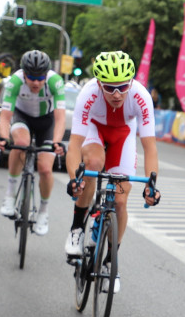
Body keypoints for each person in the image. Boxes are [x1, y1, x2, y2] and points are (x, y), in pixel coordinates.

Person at [64, 51, 161, 294]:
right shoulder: (88, 94)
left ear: (131, 82)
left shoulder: (141, 96)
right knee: (94, 163)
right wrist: (74, 179)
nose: (117, 94)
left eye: (122, 87)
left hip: (123, 136)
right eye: (109, 88)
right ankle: (77, 228)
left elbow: (150, 147)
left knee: (120, 200)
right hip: (95, 132)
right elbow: (74, 144)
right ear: (99, 84)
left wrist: (152, 185)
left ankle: (110, 263)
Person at [0, 50, 66, 236]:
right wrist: (3, 138)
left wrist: (57, 142)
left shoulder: (55, 82)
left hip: (47, 122)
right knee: (21, 142)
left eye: (40, 77)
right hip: (22, 117)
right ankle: (10, 195)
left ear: (46, 75)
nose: (36, 82)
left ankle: (43, 211)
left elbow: (60, 119)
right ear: (24, 74)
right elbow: (4, 118)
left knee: (44, 168)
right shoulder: (15, 82)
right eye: (31, 77)